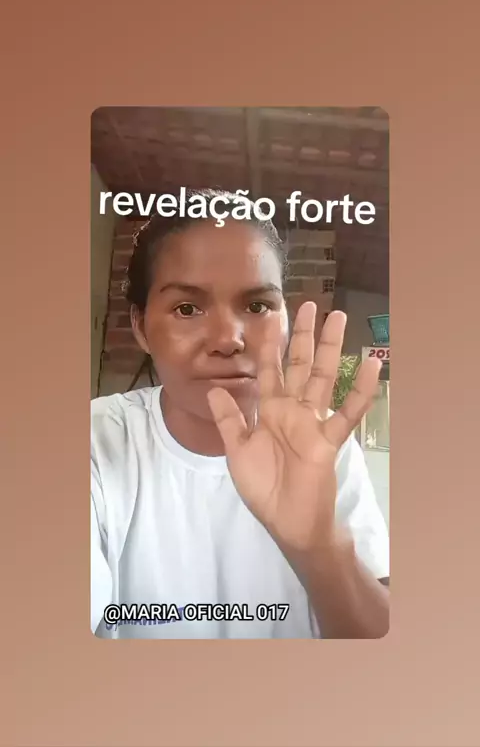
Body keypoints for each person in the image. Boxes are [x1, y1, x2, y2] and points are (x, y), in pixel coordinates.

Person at [91, 188, 389, 639]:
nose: (228, 339)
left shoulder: (324, 444)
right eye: (187, 308)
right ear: (141, 326)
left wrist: (320, 547)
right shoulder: (95, 442)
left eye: (257, 306)